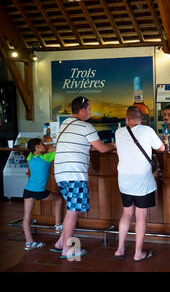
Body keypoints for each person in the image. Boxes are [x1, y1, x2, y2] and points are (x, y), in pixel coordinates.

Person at [53, 96, 116, 259]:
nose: (90, 111)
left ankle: (61, 241)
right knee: (73, 211)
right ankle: (68, 250)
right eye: (88, 108)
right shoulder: (86, 126)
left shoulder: (65, 124)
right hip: (75, 174)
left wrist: (89, 146)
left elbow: (76, 143)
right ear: (82, 110)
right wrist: (115, 145)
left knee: (70, 208)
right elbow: (102, 148)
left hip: (60, 173)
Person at [114, 106, 164, 261]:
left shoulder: (118, 132)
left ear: (127, 119)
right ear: (141, 119)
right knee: (140, 216)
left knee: (127, 213)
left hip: (124, 179)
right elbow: (161, 148)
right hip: (142, 179)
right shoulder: (147, 130)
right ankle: (138, 253)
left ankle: (120, 249)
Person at [22, 138, 63, 251]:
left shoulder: (30, 157)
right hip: (39, 191)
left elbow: (37, 150)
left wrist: (45, 149)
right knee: (59, 199)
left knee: (26, 218)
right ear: (37, 148)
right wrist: (49, 149)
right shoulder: (46, 157)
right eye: (42, 144)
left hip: (28, 190)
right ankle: (58, 225)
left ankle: (29, 243)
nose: (45, 145)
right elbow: (59, 149)